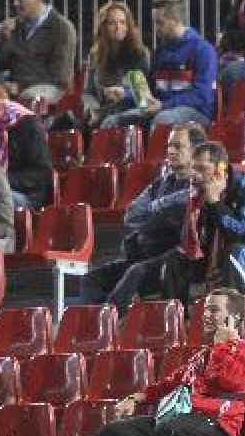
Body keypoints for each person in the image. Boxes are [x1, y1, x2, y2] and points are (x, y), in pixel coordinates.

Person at [97, 288, 245, 436]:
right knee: (112, 433)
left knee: (169, 431)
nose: (206, 315)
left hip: (217, 425)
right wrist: (134, 399)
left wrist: (223, 346)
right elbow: (169, 384)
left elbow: (233, 382)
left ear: (234, 319)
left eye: (214, 310)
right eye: (205, 310)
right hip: (179, 419)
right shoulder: (202, 355)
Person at [83, 122, 205, 306]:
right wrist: (164, 214)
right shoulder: (159, 185)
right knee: (92, 278)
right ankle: (97, 318)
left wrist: (156, 210)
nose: (171, 151)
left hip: (174, 260)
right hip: (143, 256)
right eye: (169, 146)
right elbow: (131, 215)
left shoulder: (200, 185)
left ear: (196, 151)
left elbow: (190, 204)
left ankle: (109, 318)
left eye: (178, 146)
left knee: (136, 272)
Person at [157, 142, 245, 306]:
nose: (196, 176)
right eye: (193, 169)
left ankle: (233, 316)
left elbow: (243, 233)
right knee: (173, 260)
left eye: (202, 169)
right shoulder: (198, 193)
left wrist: (215, 204)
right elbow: (196, 242)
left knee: (235, 253)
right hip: (218, 255)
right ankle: (178, 317)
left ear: (221, 168)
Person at [100, 0, 218, 129]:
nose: (156, 28)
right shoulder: (160, 52)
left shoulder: (203, 50)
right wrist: (125, 94)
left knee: (162, 119)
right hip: (161, 109)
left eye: (160, 23)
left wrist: (163, 105)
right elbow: (150, 89)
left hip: (196, 112)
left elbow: (202, 96)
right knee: (112, 122)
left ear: (175, 20)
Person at [0, 0, 77, 103]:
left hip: (49, 88)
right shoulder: (15, 25)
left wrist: (21, 86)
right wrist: (4, 38)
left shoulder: (62, 28)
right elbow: (0, 65)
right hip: (14, 86)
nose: (15, 3)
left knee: (30, 95)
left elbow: (59, 76)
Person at [83, 2, 151, 126]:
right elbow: (88, 92)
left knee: (109, 122)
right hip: (102, 110)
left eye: (122, 22)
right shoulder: (95, 55)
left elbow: (145, 96)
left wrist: (124, 93)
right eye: (112, 23)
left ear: (128, 26)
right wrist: (93, 109)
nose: (118, 27)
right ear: (103, 27)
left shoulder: (140, 54)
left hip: (131, 110)